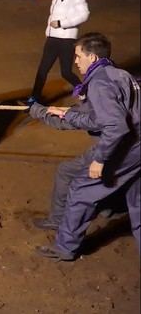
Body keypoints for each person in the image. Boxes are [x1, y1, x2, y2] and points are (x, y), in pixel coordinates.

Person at [28, 32, 140, 261]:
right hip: (137, 144)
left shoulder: (100, 81)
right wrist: (66, 112)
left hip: (128, 146)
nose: (75, 61)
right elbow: (100, 115)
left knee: (81, 190)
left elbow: (115, 125)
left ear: (93, 57)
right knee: (137, 201)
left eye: (78, 56)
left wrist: (100, 160)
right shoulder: (117, 74)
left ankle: (65, 248)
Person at [24, 0, 89, 105]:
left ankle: (85, 92)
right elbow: (53, 14)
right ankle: (34, 98)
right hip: (53, 38)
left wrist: (61, 23)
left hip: (66, 39)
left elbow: (84, 14)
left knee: (65, 72)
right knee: (42, 69)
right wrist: (49, 32)